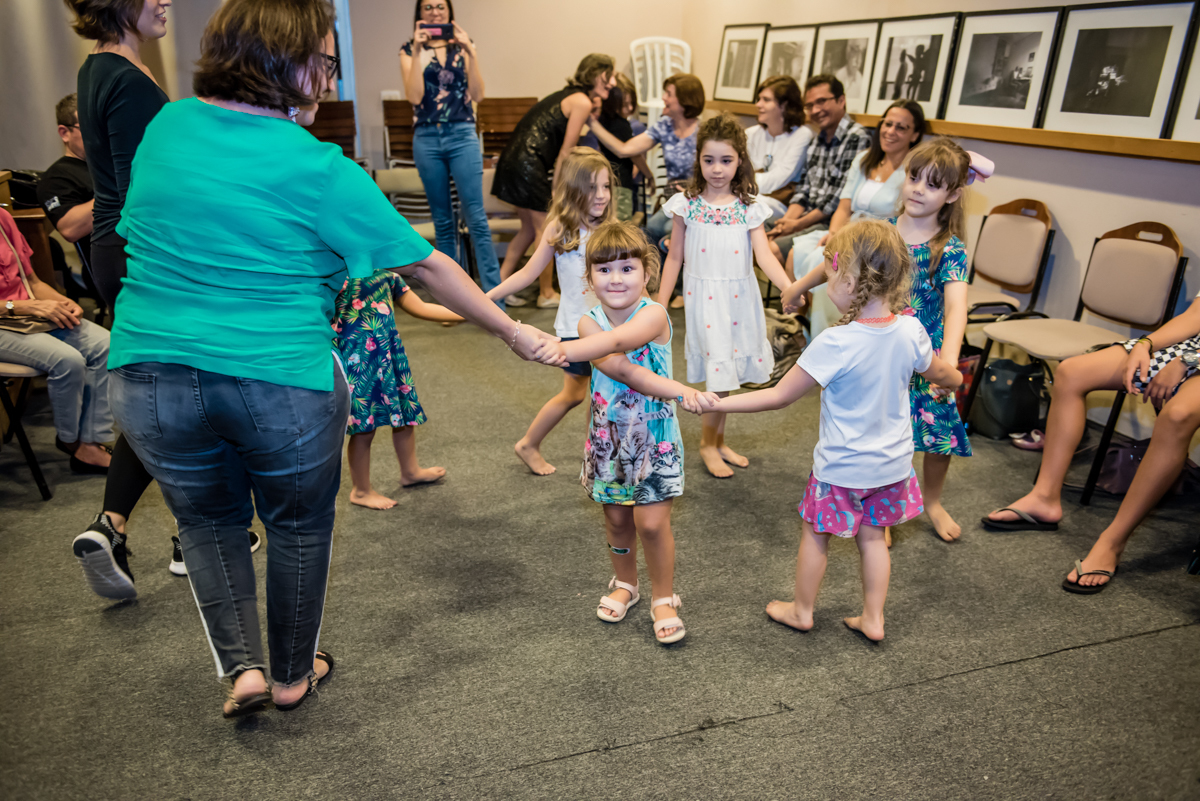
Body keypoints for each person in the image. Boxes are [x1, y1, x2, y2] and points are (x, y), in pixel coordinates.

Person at [101, 0, 564, 719]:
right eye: (322, 61)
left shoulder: (166, 126)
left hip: (146, 379)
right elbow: (430, 267)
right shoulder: (320, 168)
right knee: (295, 523)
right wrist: (514, 333)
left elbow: (141, 234)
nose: (326, 77)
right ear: (281, 63)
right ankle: (290, 673)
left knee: (207, 522)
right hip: (275, 379)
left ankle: (243, 671)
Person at [702, 220, 962, 642]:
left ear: (848, 278)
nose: (825, 281)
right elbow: (941, 372)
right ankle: (873, 618)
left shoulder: (834, 343)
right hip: (892, 465)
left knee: (816, 534)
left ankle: (802, 610)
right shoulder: (911, 330)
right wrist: (954, 380)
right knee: (873, 537)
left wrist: (718, 402)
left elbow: (777, 397)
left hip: (841, 468)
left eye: (827, 272)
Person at [790, 137, 976, 544]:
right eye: (913, 178)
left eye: (932, 184)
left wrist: (948, 362)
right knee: (887, 430)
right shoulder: (881, 232)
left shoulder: (951, 249)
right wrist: (797, 287)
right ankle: (882, 512)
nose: (917, 189)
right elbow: (834, 262)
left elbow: (957, 307)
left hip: (923, 352)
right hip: (877, 348)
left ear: (953, 195)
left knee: (937, 432)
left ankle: (933, 501)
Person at [65, 0, 188, 592]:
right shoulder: (126, 78)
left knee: (162, 390)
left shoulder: (96, 68)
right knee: (185, 391)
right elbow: (151, 187)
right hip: (143, 249)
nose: (165, 1)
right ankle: (193, 531)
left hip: (118, 248)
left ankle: (112, 525)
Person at [984, 294, 1200, 595]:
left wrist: (1189, 362)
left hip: (1193, 358)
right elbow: (1194, 317)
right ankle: (1044, 498)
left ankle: (1112, 542)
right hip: (1190, 349)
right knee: (1072, 372)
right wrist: (1145, 345)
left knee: (1177, 415)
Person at [557, 220, 707, 644]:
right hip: (609, 441)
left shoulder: (654, 314)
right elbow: (614, 364)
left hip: (655, 442)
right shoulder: (588, 322)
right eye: (604, 270)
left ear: (646, 272)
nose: (616, 278)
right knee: (617, 520)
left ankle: (663, 595)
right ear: (589, 279)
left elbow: (626, 356)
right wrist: (570, 345)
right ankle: (626, 583)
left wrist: (559, 350)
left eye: (627, 268)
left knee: (654, 525)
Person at [657, 113, 793, 478]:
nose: (717, 169)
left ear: (740, 161)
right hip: (706, 299)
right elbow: (674, 256)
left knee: (728, 375)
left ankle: (718, 440)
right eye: (709, 160)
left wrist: (787, 287)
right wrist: (657, 307)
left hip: (740, 299)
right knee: (718, 374)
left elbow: (764, 255)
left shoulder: (749, 206)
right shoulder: (686, 204)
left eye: (726, 160)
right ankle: (705, 444)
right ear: (699, 160)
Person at [485, 148, 615, 475]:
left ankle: (595, 455)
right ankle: (529, 444)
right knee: (575, 394)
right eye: (591, 188)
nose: (600, 196)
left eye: (606, 187)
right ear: (573, 190)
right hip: (576, 328)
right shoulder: (560, 228)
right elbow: (528, 273)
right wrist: (488, 296)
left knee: (603, 393)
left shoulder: (611, 227)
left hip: (610, 328)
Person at [491, 53, 616, 308]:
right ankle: (546, 293)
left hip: (514, 160)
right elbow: (566, 151)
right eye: (608, 75)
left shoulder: (567, 95)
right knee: (544, 231)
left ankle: (497, 288)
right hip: (529, 164)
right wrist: (560, 189)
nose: (613, 82)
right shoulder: (581, 101)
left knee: (527, 229)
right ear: (594, 75)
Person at [793, 100, 926, 336]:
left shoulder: (913, 172)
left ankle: (830, 335)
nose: (891, 131)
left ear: (915, 135)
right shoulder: (865, 159)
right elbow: (844, 206)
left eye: (901, 127)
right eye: (888, 124)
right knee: (799, 251)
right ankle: (801, 329)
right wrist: (834, 235)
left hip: (878, 243)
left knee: (826, 265)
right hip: (846, 230)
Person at [399, 0, 501, 298]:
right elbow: (415, 97)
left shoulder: (464, 47)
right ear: (419, 14)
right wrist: (418, 50)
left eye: (440, 6)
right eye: (427, 7)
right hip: (427, 138)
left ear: (449, 12)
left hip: (462, 134)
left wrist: (470, 50)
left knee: (476, 218)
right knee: (443, 222)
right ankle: (452, 301)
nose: (434, 11)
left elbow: (479, 94)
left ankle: (495, 298)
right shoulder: (408, 49)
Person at [334, 271, 461, 510]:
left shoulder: (388, 273)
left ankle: (410, 471)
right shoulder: (336, 270)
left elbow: (421, 307)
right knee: (364, 426)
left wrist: (472, 315)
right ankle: (361, 490)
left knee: (404, 413)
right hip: (355, 358)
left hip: (388, 354)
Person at [0, 208, 112, 473]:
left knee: (105, 343)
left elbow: (31, 281)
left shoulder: (3, 219)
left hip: (27, 312)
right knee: (67, 360)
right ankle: (70, 441)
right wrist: (22, 307)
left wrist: (64, 302)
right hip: (11, 317)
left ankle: (90, 443)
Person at [585, 73, 705, 257]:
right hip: (676, 200)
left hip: (700, 201)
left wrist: (695, 190)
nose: (663, 97)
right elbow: (624, 150)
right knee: (650, 230)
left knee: (668, 229)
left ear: (684, 100)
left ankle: (680, 282)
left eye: (669, 94)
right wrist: (592, 123)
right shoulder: (665, 125)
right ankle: (657, 281)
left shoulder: (704, 131)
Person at [766, 75, 870, 272]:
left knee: (770, 249)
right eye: (810, 105)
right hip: (805, 217)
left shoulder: (857, 138)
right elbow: (803, 191)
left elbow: (836, 200)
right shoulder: (816, 141)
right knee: (749, 232)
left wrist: (796, 225)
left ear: (841, 100)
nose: (815, 110)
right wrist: (787, 222)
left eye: (822, 102)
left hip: (830, 223)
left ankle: (793, 301)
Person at [37, 93, 99, 301]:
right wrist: (117, 189)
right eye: (90, 127)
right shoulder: (56, 177)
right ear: (64, 133)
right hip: (111, 268)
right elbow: (70, 228)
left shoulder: (110, 165)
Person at [745, 76, 813, 221]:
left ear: (784, 105)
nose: (758, 104)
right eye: (759, 99)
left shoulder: (802, 135)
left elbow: (779, 179)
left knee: (743, 208)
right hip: (746, 197)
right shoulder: (750, 134)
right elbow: (737, 173)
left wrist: (745, 182)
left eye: (766, 100)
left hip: (778, 204)